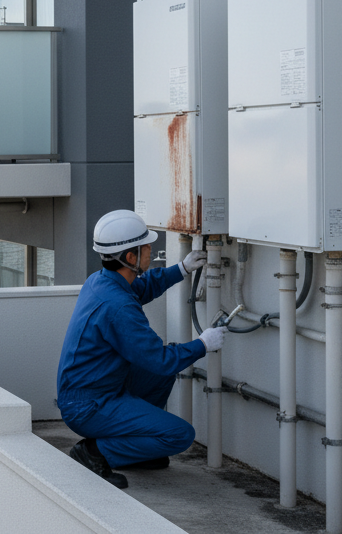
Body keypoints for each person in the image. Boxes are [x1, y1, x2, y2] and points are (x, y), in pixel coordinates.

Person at [56, 209, 226, 489]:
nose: (151, 250)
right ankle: (94, 453)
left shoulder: (101, 281)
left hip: (95, 389)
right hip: (89, 406)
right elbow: (160, 359)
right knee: (180, 435)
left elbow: (142, 287)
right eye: (146, 247)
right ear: (131, 257)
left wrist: (182, 268)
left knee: (159, 374)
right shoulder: (118, 306)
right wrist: (203, 344)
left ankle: (137, 447)